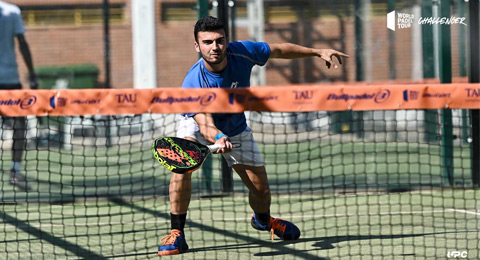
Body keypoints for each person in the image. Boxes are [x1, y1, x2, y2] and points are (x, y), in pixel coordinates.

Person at [158, 16, 348, 256]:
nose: (214, 47)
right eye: (207, 42)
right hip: (199, 124)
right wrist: (217, 137)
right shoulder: (194, 82)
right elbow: (204, 122)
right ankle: (177, 234)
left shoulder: (244, 52)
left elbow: (278, 50)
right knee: (181, 166)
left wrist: (316, 51)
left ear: (226, 40)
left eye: (219, 41)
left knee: (261, 192)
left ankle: (263, 221)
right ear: (197, 46)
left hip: (235, 126)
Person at [0, 1, 38, 192]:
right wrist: (32, 75)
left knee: (19, 125)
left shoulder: (12, 11)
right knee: (19, 126)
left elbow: (22, 42)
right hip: (9, 81)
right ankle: (15, 171)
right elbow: (22, 42)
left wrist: (31, 73)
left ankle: (15, 171)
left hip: (10, 80)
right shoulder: (12, 11)